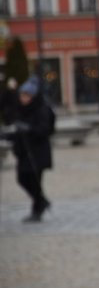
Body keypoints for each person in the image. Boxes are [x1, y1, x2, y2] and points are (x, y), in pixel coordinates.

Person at [7, 77, 54, 223]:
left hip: (37, 153)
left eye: (26, 95)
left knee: (34, 180)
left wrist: (29, 130)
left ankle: (37, 210)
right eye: (22, 95)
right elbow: (17, 129)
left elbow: (45, 129)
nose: (23, 98)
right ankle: (42, 202)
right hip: (24, 152)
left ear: (33, 96)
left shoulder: (42, 109)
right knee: (22, 179)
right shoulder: (22, 109)